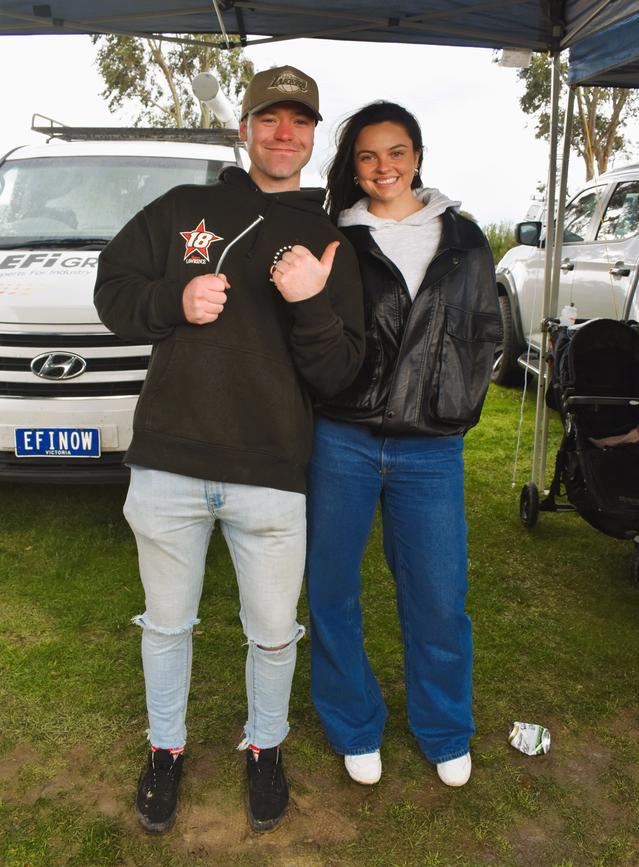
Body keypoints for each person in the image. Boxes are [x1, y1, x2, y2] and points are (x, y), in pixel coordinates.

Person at [94, 65, 364, 834]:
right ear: (244, 129)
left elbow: (342, 371)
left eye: (300, 122)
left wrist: (311, 301)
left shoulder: (327, 237)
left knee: (275, 629)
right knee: (167, 624)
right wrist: (170, 301)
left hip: (272, 469)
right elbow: (112, 287)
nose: (285, 134)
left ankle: (265, 745)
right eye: (270, 119)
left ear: (314, 135)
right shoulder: (186, 208)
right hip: (170, 460)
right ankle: (166, 748)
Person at [306, 102, 500, 788]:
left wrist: (452, 409)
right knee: (332, 586)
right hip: (344, 439)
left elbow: (485, 335)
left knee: (439, 594)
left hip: (429, 449)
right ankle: (354, 721)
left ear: (417, 155)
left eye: (396, 151)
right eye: (367, 155)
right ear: (353, 166)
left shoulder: (465, 239)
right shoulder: (337, 239)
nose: (382, 167)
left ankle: (445, 728)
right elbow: (317, 337)